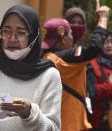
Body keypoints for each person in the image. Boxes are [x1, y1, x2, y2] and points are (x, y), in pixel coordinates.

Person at [0, 4, 62, 131]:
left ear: (34, 37)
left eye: (20, 33)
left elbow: (53, 128)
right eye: (6, 31)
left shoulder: (49, 75)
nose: (12, 39)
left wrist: (30, 113)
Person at [41, 0, 110, 130]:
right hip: (69, 125)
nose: (72, 37)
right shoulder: (62, 60)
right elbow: (93, 48)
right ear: (63, 38)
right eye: (70, 33)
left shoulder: (45, 58)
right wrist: (103, 19)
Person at [87, 30, 112, 131]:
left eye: (111, 41)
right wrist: (109, 85)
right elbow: (91, 92)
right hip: (95, 124)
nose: (109, 45)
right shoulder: (91, 64)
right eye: (105, 42)